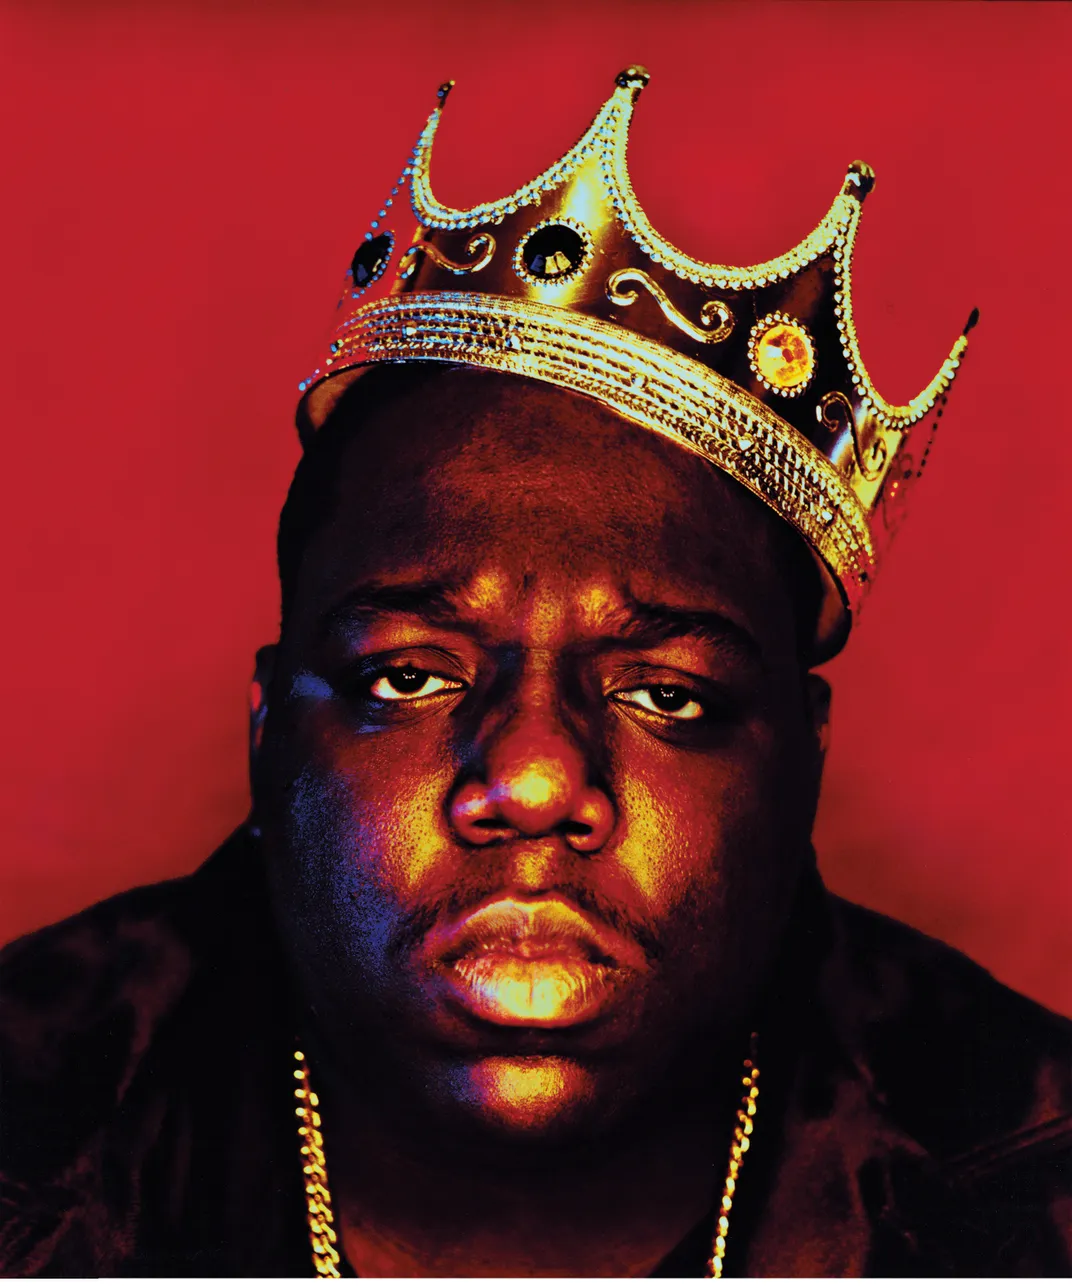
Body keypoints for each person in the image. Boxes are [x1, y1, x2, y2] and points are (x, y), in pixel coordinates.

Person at [1, 68, 1069, 1278]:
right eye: (409, 675)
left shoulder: (1030, 1188)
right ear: (267, 735)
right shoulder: (31, 1141)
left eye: (668, 693)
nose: (533, 777)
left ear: (802, 759)